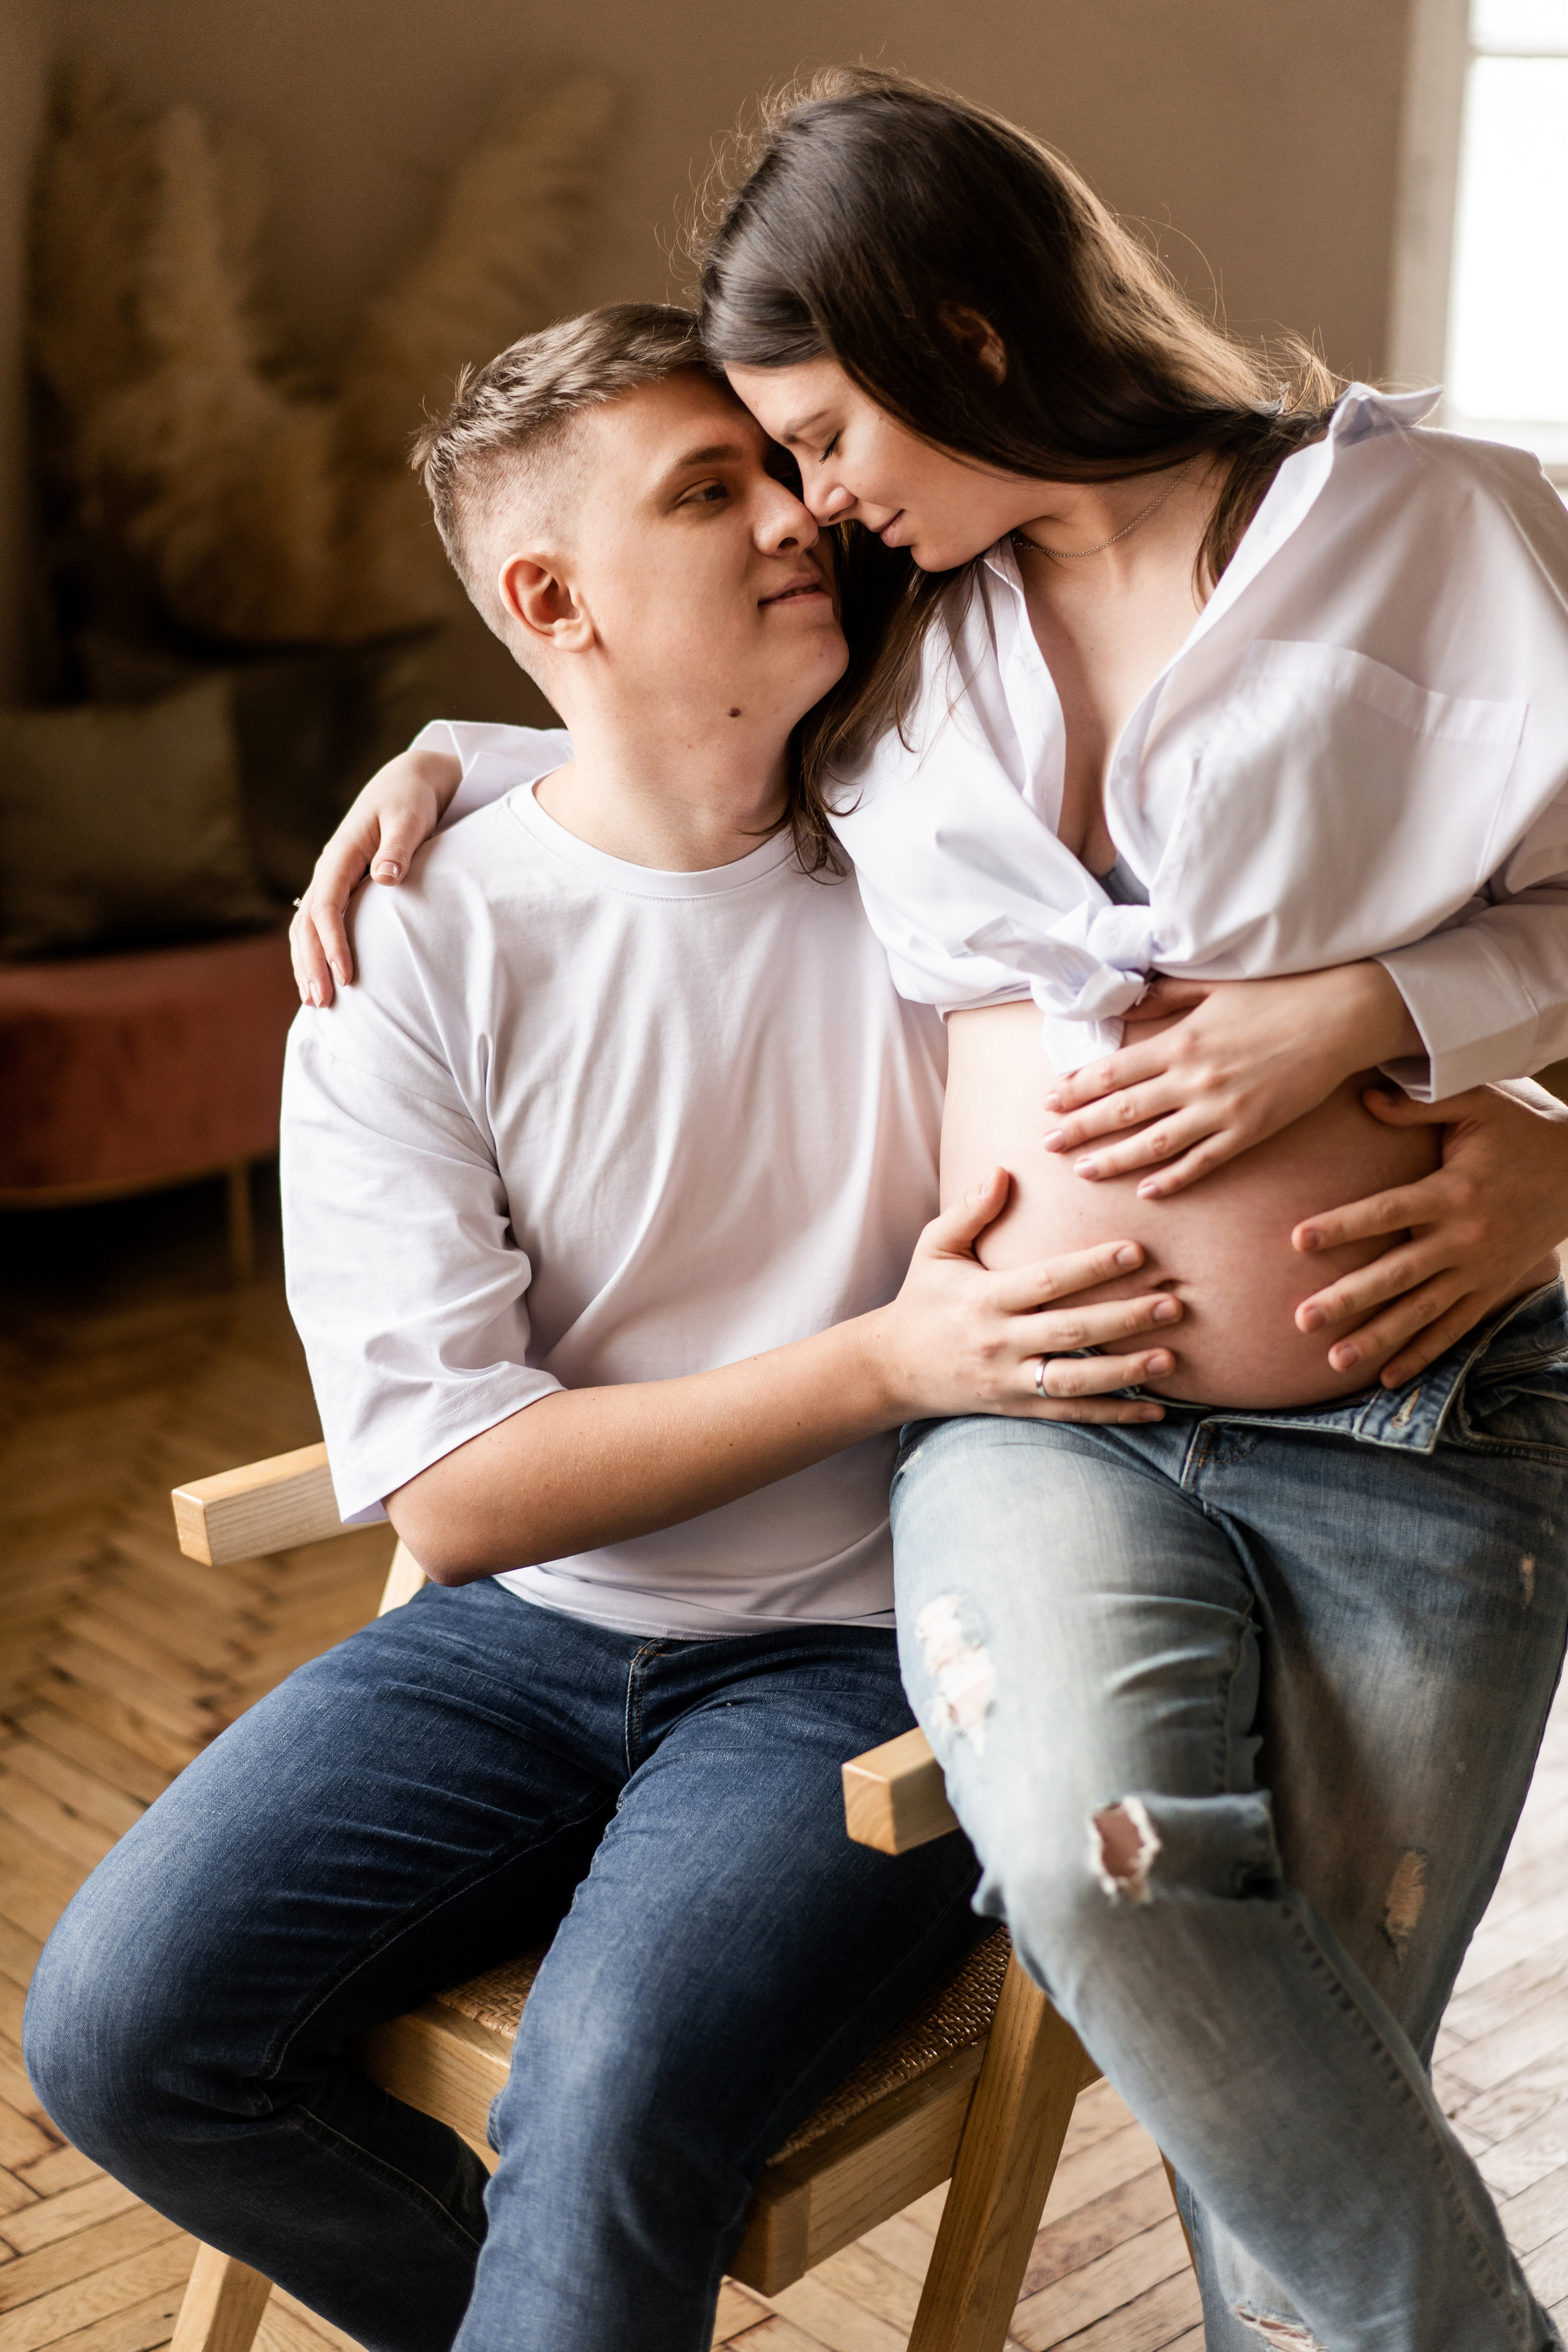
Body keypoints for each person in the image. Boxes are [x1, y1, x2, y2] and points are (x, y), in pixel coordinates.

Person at [289, 74, 1568, 2350]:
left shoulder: (1438, 525)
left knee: (1288, 2078)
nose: (809, 500)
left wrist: (1441, 1040)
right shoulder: (896, 615)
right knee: (1117, 1883)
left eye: (817, 431)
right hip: (1032, 1433)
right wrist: (446, 767)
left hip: (1417, 1425)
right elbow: (650, 744)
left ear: (964, 339)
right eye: (767, 462)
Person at [22, 307, 1189, 2352]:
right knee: (120, 2037)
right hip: (512, 1634)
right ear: (549, 598)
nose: (797, 514)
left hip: (853, 1666)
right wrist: (888, 1362)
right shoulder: (407, 940)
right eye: (707, 490)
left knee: (610, 2102)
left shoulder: (951, 853)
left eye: (780, 466)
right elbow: (462, 1500)